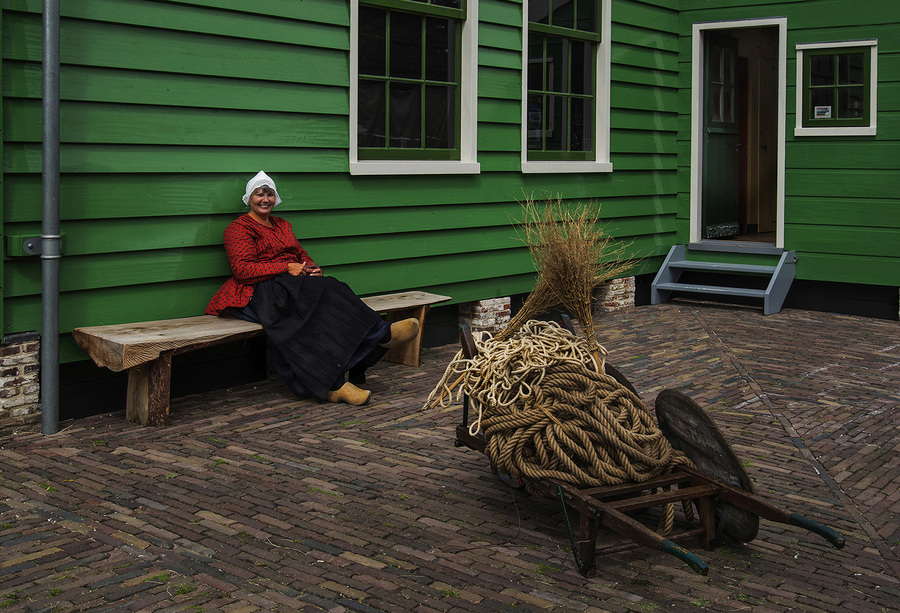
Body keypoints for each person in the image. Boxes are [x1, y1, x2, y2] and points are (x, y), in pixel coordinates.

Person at [206, 171, 419, 406]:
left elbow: (299, 253)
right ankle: (350, 366)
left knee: (331, 288)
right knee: (303, 316)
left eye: (270, 194)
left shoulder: (282, 225)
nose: (265, 200)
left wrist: (311, 267)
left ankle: (375, 339)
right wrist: (286, 267)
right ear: (249, 198)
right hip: (258, 289)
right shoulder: (238, 229)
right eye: (259, 194)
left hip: (290, 283)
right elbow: (243, 270)